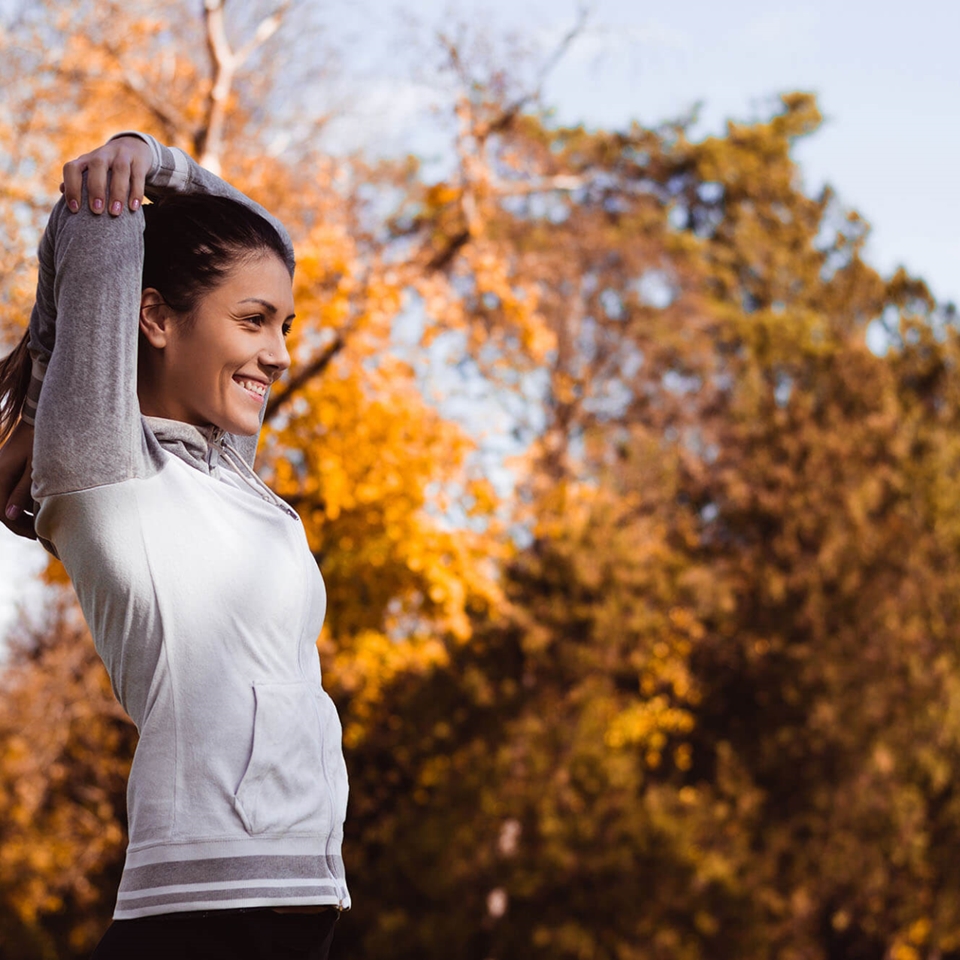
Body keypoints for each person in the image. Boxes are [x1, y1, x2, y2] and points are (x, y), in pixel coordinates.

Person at [0, 133, 350, 960]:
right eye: (254, 321)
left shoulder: (231, 469)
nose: (280, 352)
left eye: (284, 324)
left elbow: (268, 236)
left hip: (300, 899)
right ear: (153, 316)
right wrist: (112, 181)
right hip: (207, 904)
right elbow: (101, 229)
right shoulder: (107, 466)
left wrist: (158, 159)